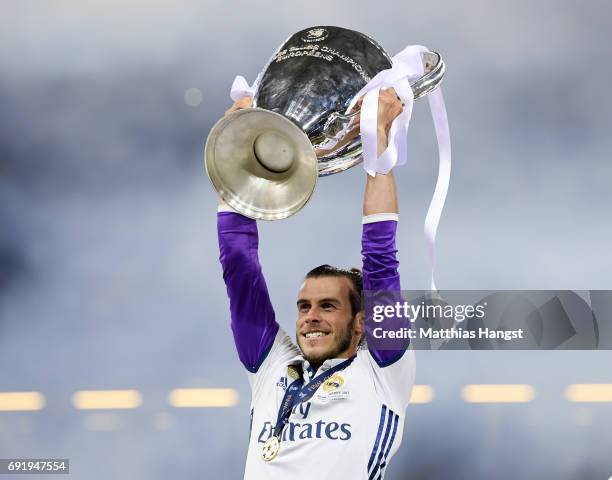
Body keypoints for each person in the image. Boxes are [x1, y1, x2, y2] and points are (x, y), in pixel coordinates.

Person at [217, 89, 414, 479]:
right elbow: (239, 268)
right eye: (305, 306)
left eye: (328, 306)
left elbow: (380, 258)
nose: (310, 317)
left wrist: (378, 145)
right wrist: (236, 149)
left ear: (362, 323)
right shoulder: (271, 367)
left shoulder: (383, 372)